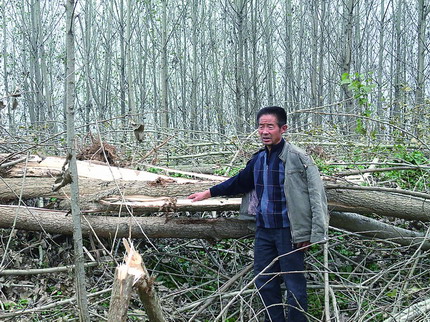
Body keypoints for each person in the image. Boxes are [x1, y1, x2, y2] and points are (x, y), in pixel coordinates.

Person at [188, 106, 328, 322]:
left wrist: (312, 234)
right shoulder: (259, 159)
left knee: (294, 284)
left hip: (289, 232)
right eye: (261, 126)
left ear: (283, 129)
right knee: (264, 281)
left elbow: (316, 196)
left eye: (270, 126)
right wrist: (208, 193)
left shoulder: (298, 158)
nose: (264, 131)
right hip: (264, 231)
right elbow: (239, 182)